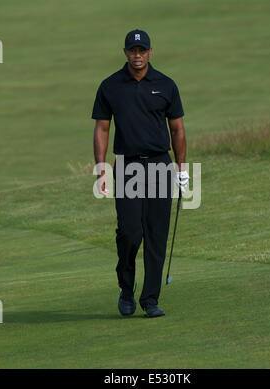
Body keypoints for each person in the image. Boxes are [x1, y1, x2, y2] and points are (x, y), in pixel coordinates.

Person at [92, 29, 189, 318]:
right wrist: (101, 169)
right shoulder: (110, 86)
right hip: (128, 166)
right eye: (133, 51)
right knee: (131, 233)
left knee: (156, 235)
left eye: (142, 51)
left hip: (160, 164)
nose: (137, 55)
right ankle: (126, 287)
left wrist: (182, 169)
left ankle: (150, 299)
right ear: (125, 52)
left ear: (149, 52)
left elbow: (177, 129)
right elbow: (102, 128)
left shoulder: (166, 85)